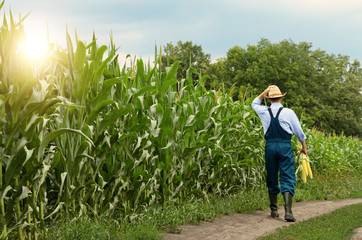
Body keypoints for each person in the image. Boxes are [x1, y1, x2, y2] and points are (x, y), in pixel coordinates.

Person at [251, 85, 307, 222]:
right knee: (287, 175)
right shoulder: (289, 112)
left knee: (272, 175)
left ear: (269, 99)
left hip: (270, 147)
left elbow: (254, 103)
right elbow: (299, 132)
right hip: (285, 146)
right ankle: (288, 212)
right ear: (281, 98)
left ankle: (274, 210)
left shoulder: (264, 111)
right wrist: (303, 146)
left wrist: (264, 92)